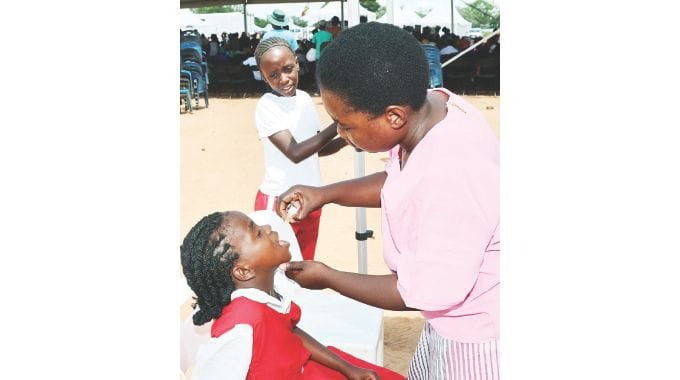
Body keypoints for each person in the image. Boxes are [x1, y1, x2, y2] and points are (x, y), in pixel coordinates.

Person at [277, 22, 499, 379]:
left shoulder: (453, 173)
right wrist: (325, 194)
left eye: (345, 124)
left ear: (394, 116)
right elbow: (402, 181)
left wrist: (330, 278)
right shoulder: (433, 108)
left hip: (476, 340)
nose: (343, 135)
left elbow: (421, 290)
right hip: (448, 324)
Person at [181, 211, 405, 380]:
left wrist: (348, 368)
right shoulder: (241, 327)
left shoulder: (265, 296)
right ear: (244, 271)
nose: (268, 227)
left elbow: (289, 332)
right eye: (258, 233)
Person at [253, 37, 347, 261]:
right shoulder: (267, 106)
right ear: (263, 76)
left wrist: (348, 137)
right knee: (277, 269)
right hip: (280, 200)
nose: (283, 79)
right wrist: (338, 124)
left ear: (297, 63)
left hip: (311, 198)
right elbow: (295, 152)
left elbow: (316, 148)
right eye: (273, 75)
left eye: (287, 69)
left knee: (303, 266)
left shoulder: (304, 100)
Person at [310, 20, 333, 96]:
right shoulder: (329, 34)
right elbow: (332, 44)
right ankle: (328, 91)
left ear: (319, 27)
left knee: (318, 73)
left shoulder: (316, 35)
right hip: (327, 56)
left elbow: (312, 45)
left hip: (318, 56)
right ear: (325, 27)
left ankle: (318, 91)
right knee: (327, 73)